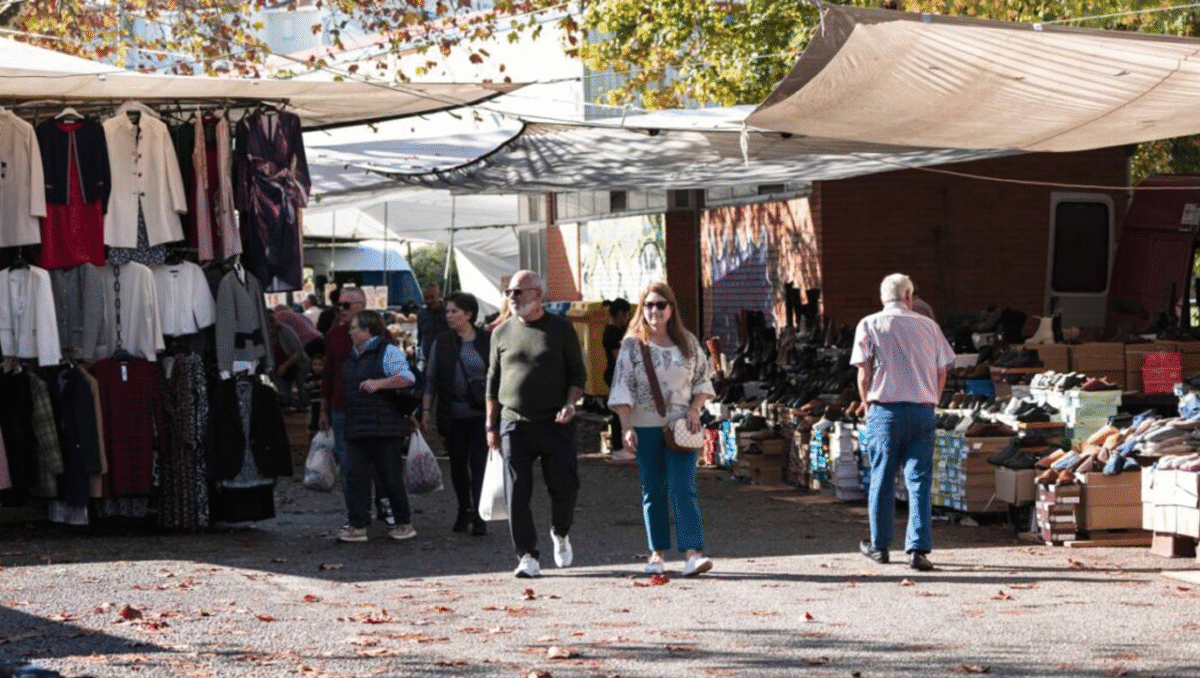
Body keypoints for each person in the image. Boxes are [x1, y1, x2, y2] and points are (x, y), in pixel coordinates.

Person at [608, 282, 716, 577]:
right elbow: (621, 388)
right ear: (641, 309)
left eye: (660, 305)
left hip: (681, 428)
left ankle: (693, 553)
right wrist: (626, 428)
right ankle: (656, 553)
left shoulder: (687, 342)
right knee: (653, 490)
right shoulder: (632, 345)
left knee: (684, 487)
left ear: (671, 309)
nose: (654, 310)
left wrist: (694, 409)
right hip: (646, 427)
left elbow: (703, 381)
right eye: (648, 305)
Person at [851, 273, 955, 572]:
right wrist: (933, 398)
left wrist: (867, 403)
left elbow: (863, 372)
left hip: (885, 411)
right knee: (919, 480)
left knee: (882, 478)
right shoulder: (929, 326)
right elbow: (942, 370)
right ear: (908, 296)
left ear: (882, 297)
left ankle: (880, 545)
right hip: (922, 410)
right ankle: (918, 549)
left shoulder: (869, 323)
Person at [486, 270, 586, 578]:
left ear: (537, 293)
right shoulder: (501, 332)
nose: (512, 297)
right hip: (514, 422)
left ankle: (560, 531)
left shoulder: (560, 328)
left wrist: (570, 404)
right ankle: (527, 555)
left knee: (565, 486)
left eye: (518, 291)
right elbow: (492, 381)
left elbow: (577, 374)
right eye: (508, 292)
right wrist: (490, 425)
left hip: (555, 421)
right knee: (517, 491)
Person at [336, 309, 418, 543]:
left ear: (367, 330)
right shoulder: (353, 356)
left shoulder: (387, 351)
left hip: (384, 426)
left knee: (390, 478)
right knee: (356, 478)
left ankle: (403, 523)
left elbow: (407, 378)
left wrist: (379, 383)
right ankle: (357, 525)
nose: (350, 332)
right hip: (357, 425)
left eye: (354, 328)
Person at [319, 287, 395, 528]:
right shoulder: (334, 336)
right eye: (338, 305)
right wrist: (324, 409)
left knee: (380, 462)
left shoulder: (382, 335)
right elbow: (328, 374)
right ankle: (357, 514)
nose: (340, 310)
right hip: (343, 408)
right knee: (348, 465)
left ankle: (385, 506)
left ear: (361, 306)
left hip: (374, 407)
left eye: (346, 305)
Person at [421, 292, 490, 536]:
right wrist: (426, 411)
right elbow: (431, 379)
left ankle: (480, 514)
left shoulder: (486, 340)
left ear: (468, 314)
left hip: (481, 415)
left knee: (479, 465)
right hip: (452, 414)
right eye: (447, 311)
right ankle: (464, 509)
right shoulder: (443, 341)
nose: (449, 316)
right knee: (458, 466)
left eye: (454, 312)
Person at [602, 298, 635, 462]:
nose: (628, 318)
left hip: (619, 374)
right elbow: (617, 355)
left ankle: (623, 446)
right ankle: (618, 447)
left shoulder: (618, 330)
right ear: (621, 313)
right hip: (616, 374)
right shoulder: (612, 333)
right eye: (628, 314)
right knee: (619, 411)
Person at [268, 311, 310, 411]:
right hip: (280, 369)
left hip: (298, 365)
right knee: (284, 397)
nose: (271, 330)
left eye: (272, 326)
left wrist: (285, 365)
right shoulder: (266, 336)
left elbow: (299, 352)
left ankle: (304, 409)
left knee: (303, 392)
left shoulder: (285, 331)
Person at [417, 283, 450, 363]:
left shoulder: (448, 314)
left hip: (447, 361)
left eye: (432, 297)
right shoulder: (422, 314)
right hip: (427, 362)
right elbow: (420, 337)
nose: (429, 301)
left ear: (439, 296)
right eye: (426, 298)